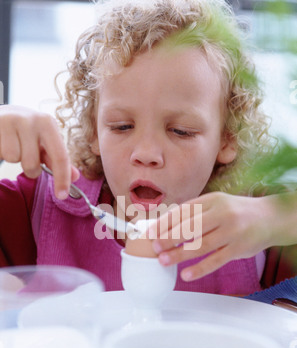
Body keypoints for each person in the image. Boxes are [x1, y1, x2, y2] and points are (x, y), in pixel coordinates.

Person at [0, 0, 296, 295]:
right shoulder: (37, 211)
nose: (147, 154)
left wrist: (273, 220)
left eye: (181, 131)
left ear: (227, 138)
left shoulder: (252, 226)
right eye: (121, 127)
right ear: (94, 128)